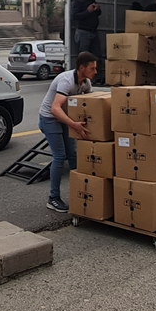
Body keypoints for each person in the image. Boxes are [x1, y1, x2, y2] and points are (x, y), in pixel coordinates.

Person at [39, 51, 98, 212]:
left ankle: (81, 192)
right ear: (82, 68)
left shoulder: (86, 83)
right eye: (92, 68)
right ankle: (53, 198)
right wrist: (74, 125)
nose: (95, 71)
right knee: (60, 156)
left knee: (73, 155)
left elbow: (91, 105)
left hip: (65, 118)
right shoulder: (66, 81)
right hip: (50, 119)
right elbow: (55, 108)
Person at [72, 0, 102, 81]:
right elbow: (75, 16)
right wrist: (87, 11)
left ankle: (97, 78)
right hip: (83, 32)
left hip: (93, 31)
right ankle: (82, 78)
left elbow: (97, 14)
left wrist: (98, 9)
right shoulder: (78, 2)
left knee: (97, 56)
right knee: (84, 57)